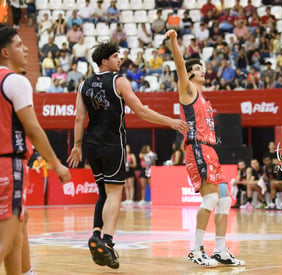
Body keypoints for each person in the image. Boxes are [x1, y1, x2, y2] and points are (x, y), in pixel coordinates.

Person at [67, 41, 188, 269]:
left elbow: (79, 119)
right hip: (113, 144)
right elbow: (141, 111)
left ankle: (95, 233)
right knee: (115, 194)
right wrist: (170, 121)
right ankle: (107, 241)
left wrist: (76, 146)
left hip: (91, 145)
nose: (119, 59)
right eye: (115, 56)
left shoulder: (84, 84)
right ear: (105, 60)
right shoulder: (119, 81)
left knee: (103, 191)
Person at [165, 29, 245, 267]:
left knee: (224, 199)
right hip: (198, 149)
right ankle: (196, 249)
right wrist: (173, 42)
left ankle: (220, 249)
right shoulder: (187, 90)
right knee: (210, 198)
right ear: (190, 73)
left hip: (210, 150)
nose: (203, 70)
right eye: (198, 68)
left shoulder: (205, 99)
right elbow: (180, 66)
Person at [0, 24, 71, 275]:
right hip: (8, 165)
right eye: (19, 45)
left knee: (21, 222)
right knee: (6, 240)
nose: (26, 49)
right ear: (5, 52)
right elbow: (33, 130)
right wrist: (57, 164)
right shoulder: (14, 81)